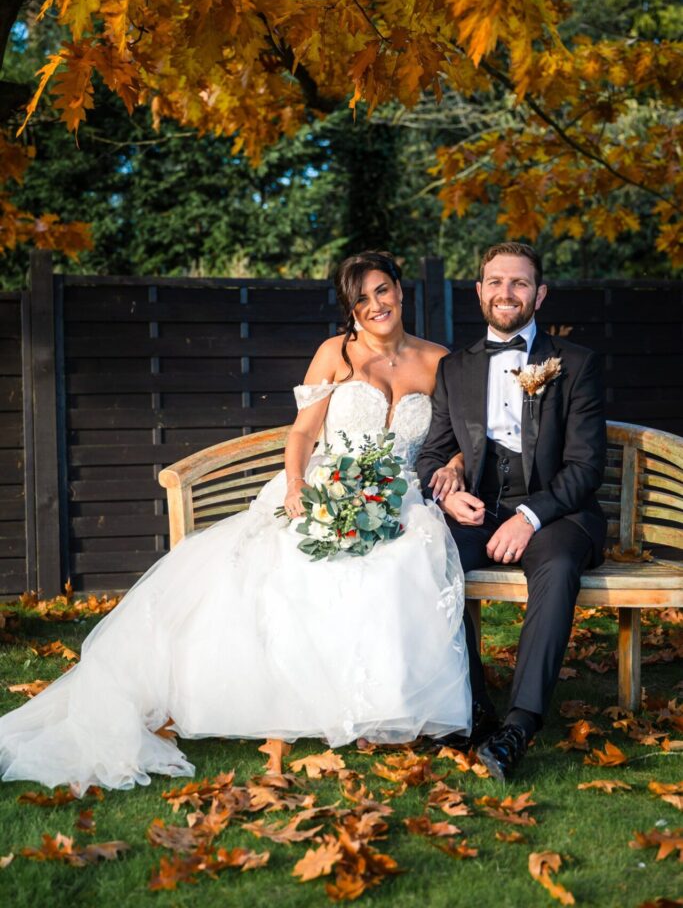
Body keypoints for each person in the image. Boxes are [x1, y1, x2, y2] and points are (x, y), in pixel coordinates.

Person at [0, 251, 471, 792]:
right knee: (293, 566)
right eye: (360, 299)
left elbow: (460, 436)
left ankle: (388, 704)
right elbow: (302, 432)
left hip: (401, 496)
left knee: (403, 561)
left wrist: (455, 465)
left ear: (400, 291)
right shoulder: (335, 354)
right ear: (350, 308)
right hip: (329, 486)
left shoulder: (438, 361)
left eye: (382, 290)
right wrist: (296, 486)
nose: (375, 305)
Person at [417, 242, 606, 780]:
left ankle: (518, 726)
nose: (507, 292)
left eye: (519, 282)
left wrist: (531, 517)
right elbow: (432, 453)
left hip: (558, 513)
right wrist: (446, 493)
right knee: (428, 560)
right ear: (480, 292)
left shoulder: (576, 364)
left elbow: (585, 467)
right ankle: (474, 708)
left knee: (558, 566)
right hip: (481, 510)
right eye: (496, 282)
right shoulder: (454, 369)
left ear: (539, 294)